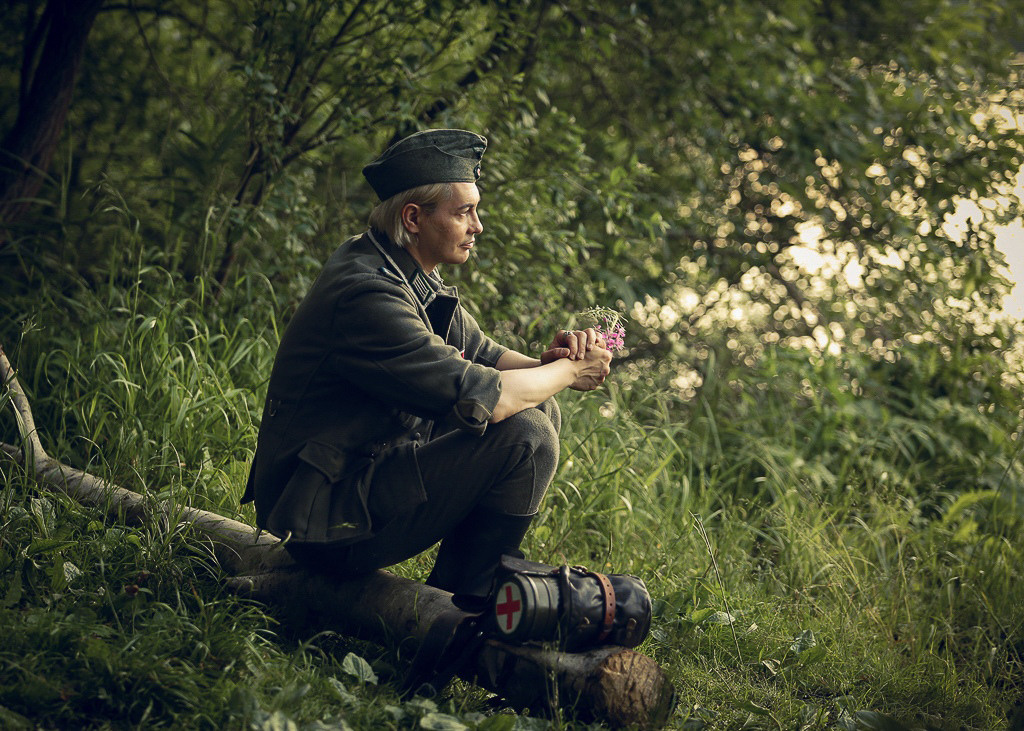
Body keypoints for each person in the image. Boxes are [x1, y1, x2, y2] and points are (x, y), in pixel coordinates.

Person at [242, 129, 612, 608]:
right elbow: (488, 395)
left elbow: (485, 354)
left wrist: (553, 363)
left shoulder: (401, 267)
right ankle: (463, 602)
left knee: (542, 409)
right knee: (528, 431)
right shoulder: (367, 293)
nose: (478, 226)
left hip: (357, 480)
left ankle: (466, 587)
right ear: (413, 218)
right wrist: (570, 374)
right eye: (464, 212)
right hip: (321, 517)